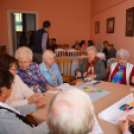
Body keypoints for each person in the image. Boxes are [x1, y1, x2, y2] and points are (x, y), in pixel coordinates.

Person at [0, 68, 49, 134]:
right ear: (4, 90)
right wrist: (49, 122)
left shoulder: (3, 106)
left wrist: (35, 105)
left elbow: (14, 110)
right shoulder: (3, 116)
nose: (12, 86)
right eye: (11, 84)